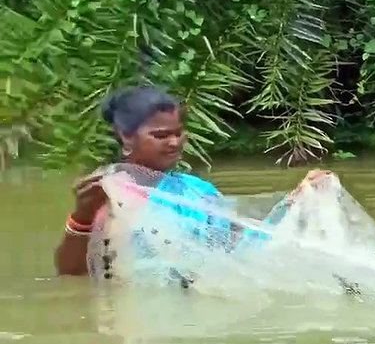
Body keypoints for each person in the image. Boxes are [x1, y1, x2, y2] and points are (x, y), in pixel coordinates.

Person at [54, 85, 327, 278]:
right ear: (126, 137)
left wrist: (296, 202)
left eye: (178, 133)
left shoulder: (196, 190)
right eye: (161, 135)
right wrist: (82, 218)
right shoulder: (111, 192)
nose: (174, 143)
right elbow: (74, 275)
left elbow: (239, 248)